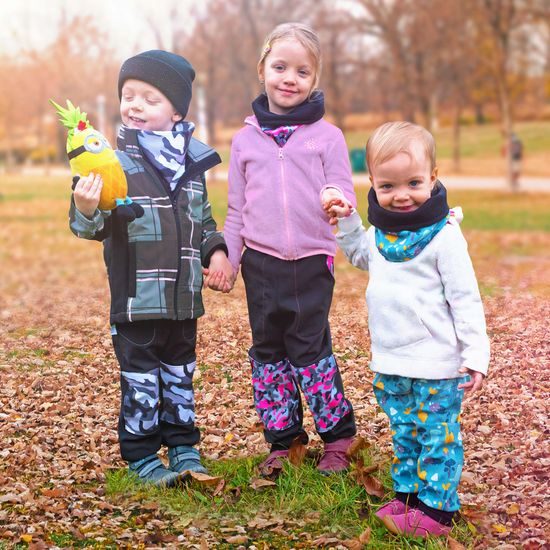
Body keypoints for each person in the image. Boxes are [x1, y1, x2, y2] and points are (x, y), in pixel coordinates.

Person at [69, 50, 234, 487]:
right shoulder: (112, 164)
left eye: (149, 98)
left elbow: (204, 222)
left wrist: (215, 253)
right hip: (136, 301)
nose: (135, 105)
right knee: (142, 381)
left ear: (177, 110)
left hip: (183, 301)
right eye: (128, 96)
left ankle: (184, 448)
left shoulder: (193, 166)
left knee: (179, 377)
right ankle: (142, 457)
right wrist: (85, 207)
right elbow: (92, 226)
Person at [321, 121, 490, 537]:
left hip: (436, 363)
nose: (401, 195)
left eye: (413, 182)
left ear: (433, 179)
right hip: (392, 358)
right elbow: (362, 255)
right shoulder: (382, 233)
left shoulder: (444, 237)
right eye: (388, 186)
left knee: (436, 436)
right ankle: (410, 496)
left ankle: (438, 510)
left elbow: (465, 298)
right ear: (374, 185)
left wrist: (475, 356)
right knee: (405, 430)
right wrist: (346, 222)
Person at [224, 23, 357, 476]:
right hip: (261, 265)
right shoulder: (244, 141)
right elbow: (236, 211)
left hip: (310, 262)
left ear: (314, 80)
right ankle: (284, 440)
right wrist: (230, 257)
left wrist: (337, 198)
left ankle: (339, 436)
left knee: (308, 348)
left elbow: (342, 183)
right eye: (280, 67)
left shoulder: (327, 136)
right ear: (262, 69)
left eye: (302, 71)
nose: (289, 78)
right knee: (268, 351)